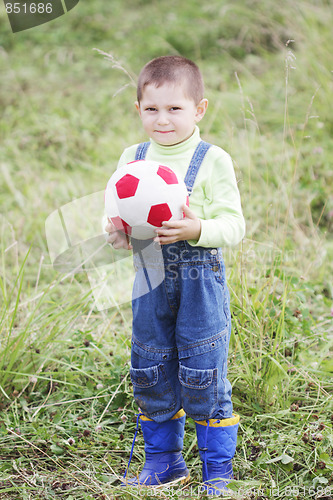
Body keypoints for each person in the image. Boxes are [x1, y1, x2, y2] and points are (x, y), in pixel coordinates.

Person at [105, 55, 245, 495]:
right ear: (138, 109)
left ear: (199, 109)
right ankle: (164, 463)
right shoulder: (133, 157)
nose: (162, 120)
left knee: (202, 369)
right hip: (148, 276)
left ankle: (217, 470)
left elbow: (235, 225)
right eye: (151, 109)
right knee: (150, 364)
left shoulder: (212, 159)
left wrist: (198, 228)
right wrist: (115, 233)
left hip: (199, 280)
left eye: (175, 109)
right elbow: (116, 211)